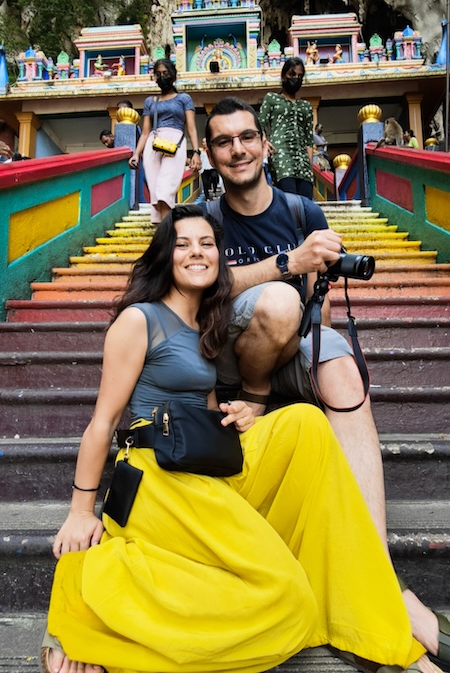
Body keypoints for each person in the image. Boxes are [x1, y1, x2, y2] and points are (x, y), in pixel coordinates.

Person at [41, 203, 433, 673]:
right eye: (183, 244)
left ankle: (370, 603)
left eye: (207, 244)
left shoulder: (203, 326)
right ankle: (89, 610)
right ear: (165, 256)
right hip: (156, 477)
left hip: (198, 467)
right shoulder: (139, 320)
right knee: (287, 601)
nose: (197, 252)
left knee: (305, 424)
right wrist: (81, 512)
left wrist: (238, 415)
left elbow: (205, 421)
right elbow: (102, 423)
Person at [203, 96, 449, 668]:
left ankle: (378, 574)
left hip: (290, 344)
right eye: (223, 141)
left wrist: (321, 359)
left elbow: (322, 311)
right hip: (230, 364)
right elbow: (195, 294)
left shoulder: (301, 210)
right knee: (282, 297)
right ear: (210, 155)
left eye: (246, 137)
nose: (237, 149)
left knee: (338, 361)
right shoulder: (204, 221)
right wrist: (288, 264)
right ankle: (261, 400)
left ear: (265, 145)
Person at [129, 59, 201, 224]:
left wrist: (196, 152)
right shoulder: (150, 101)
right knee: (155, 191)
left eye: (166, 73)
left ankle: (167, 233)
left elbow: (191, 128)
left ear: (173, 76)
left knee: (165, 189)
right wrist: (136, 154)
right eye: (159, 74)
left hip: (176, 142)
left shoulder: (184, 98)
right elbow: (145, 131)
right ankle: (161, 229)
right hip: (153, 145)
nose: (162, 77)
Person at [259, 57, 314, 199]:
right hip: (281, 155)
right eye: (292, 74)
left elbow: (309, 140)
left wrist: (309, 166)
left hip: (303, 161)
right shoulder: (271, 98)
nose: (296, 78)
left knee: (306, 204)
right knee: (288, 201)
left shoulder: (306, 106)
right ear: (284, 76)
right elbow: (260, 124)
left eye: (300, 76)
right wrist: (264, 141)